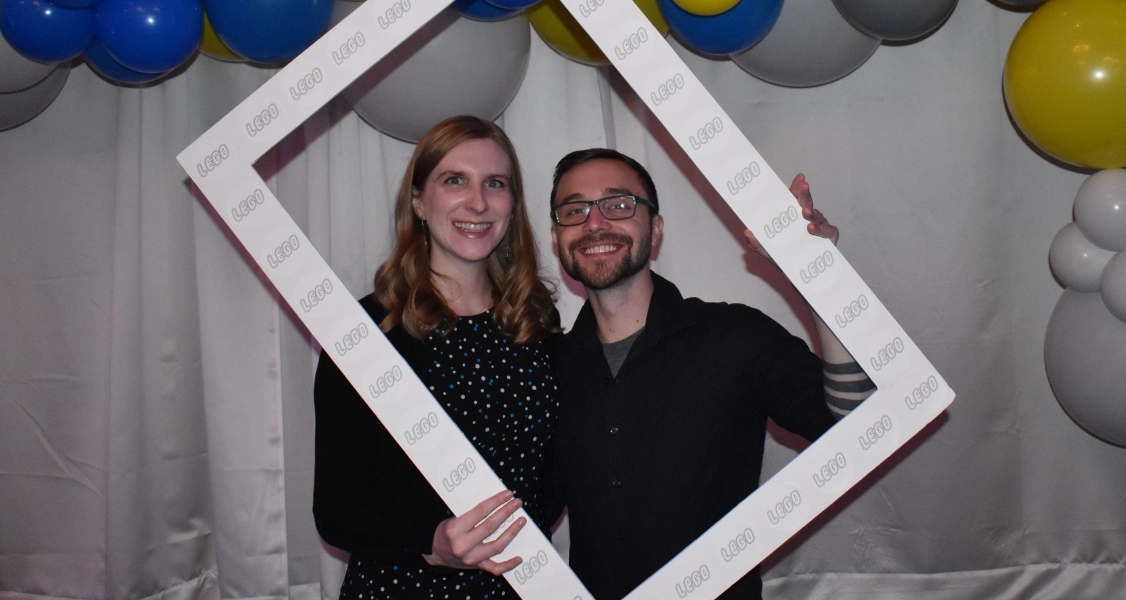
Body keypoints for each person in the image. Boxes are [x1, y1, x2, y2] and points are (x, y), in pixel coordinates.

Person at [542, 148, 875, 600]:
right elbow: (526, 507)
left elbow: (855, 425)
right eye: (574, 210)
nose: (595, 223)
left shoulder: (734, 336)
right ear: (556, 237)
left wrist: (821, 276)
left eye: (619, 204)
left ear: (655, 229)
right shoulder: (547, 366)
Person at [313, 116, 562, 600]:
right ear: (418, 203)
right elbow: (336, 509)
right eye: (454, 180)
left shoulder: (536, 323)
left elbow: (551, 475)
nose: (478, 202)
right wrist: (433, 543)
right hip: (401, 587)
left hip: (518, 587)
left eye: (496, 183)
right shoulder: (367, 330)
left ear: (513, 205)